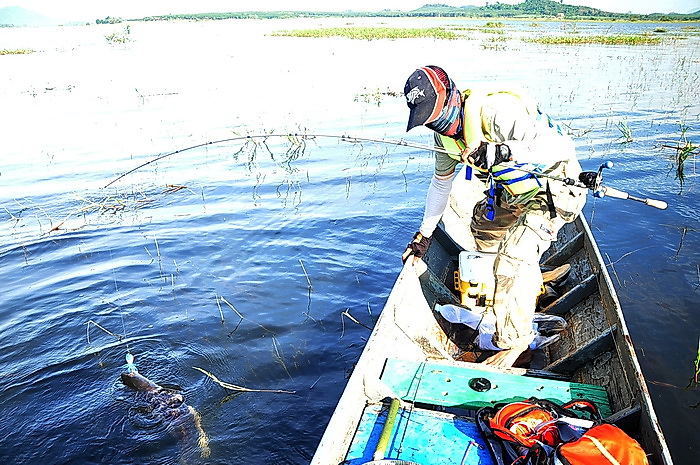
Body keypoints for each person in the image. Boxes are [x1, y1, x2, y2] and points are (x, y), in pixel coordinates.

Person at [402, 65, 586, 368]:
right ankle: (520, 287)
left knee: (514, 258)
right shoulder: (445, 141)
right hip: (516, 191)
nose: (438, 125)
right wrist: (424, 235)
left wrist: (503, 150)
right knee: (484, 228)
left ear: (453, 98)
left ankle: (516, 343)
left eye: (438, 115)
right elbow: (440, 185)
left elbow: (560, 146)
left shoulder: (496, 112)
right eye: (429, 121)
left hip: (556, 187)